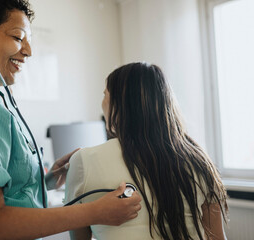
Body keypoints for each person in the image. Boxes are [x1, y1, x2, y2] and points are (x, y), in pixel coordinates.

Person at [0, 0, 142, 239]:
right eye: (18, 37)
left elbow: (1, 188)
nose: (28, 50)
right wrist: (95, 212)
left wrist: (44, 180)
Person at [65, 62, 228, 240]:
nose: (102, 103)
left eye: (105, 95)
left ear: (119, 104)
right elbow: (217, 237)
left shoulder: (83, 161)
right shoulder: (199, 161)